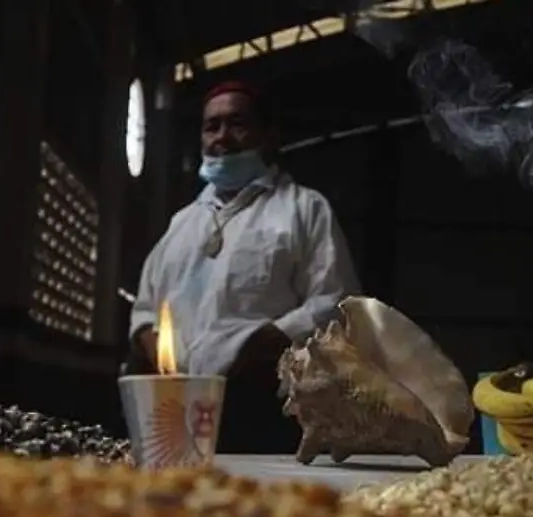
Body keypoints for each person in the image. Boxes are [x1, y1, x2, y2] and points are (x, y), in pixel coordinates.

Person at [125, 80, 361, 453]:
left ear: (268, 136)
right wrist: (159, 351)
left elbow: (335, 302)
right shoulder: (182, 222)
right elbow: (144, 309)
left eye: (237, 124)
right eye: (211, 126)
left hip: (261, 399)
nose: (221, 136)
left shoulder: (303, 208)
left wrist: (260, 343)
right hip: (176, 405)